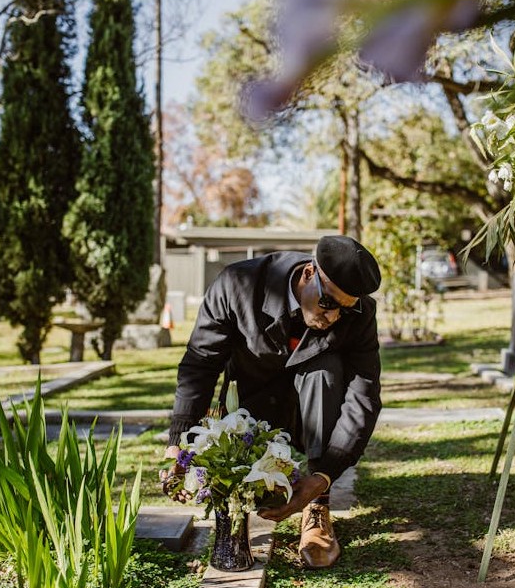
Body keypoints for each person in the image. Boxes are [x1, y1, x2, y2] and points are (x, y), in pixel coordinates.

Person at [161, 235, 383, 569]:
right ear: (309, 273)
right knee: (255, 493)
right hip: (253, 403)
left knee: (326, 371)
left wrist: (323, 477)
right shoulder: (238, 285)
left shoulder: (360, 314)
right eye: (328, 303)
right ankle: (240, 503)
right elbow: (200, 365)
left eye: (344, 308)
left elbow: (363, 396)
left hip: (316, 409)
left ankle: (317, 511)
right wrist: (178, 444)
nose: (335, 316)